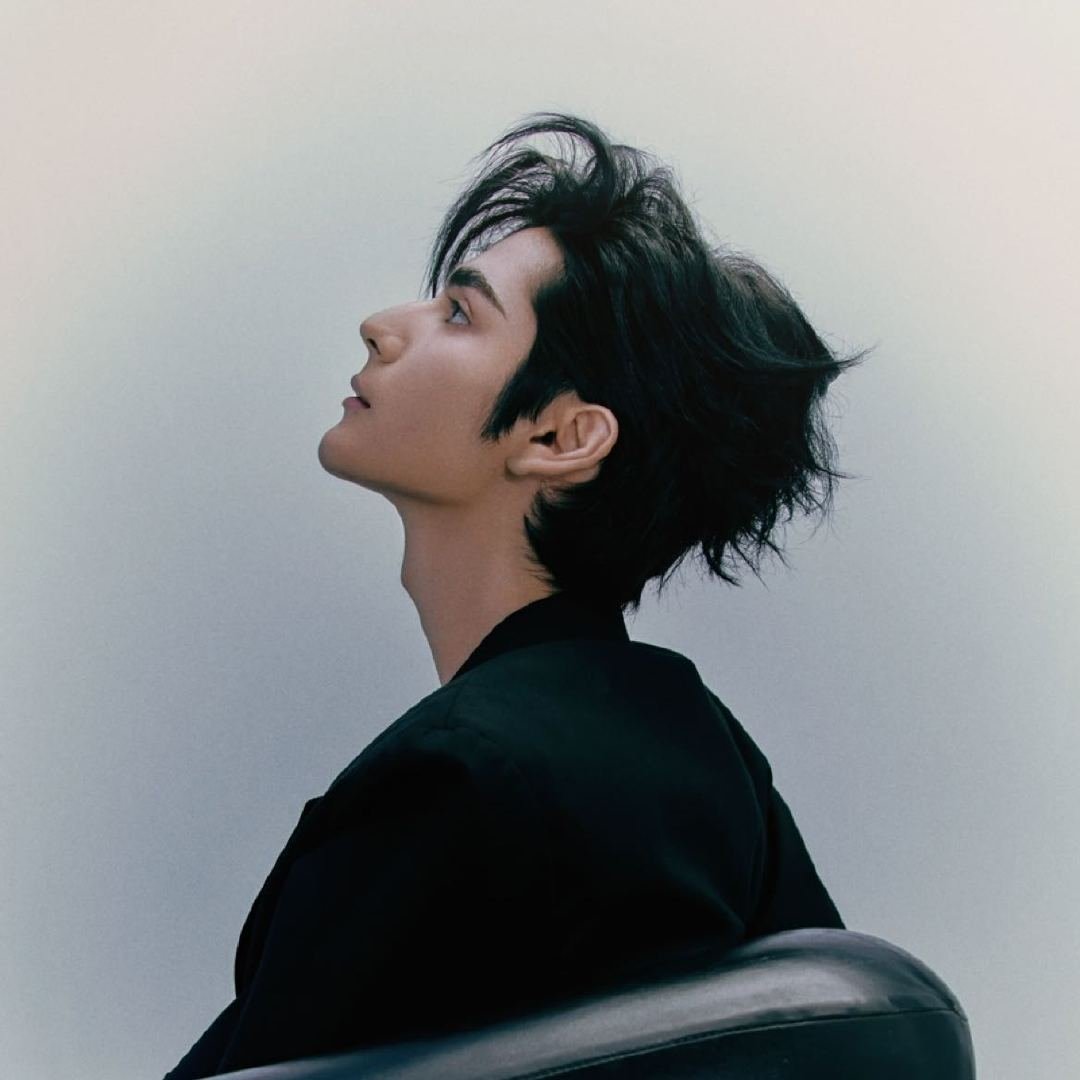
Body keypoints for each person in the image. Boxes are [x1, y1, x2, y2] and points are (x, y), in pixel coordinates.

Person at [163, 111, 867, 1079]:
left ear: (559, 439)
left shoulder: (455, 777)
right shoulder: (711, 760)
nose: (383, 326)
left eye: (461, 313)